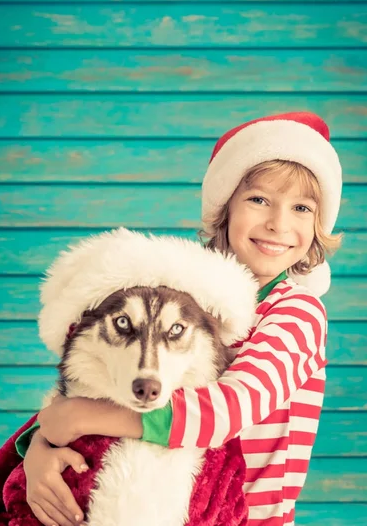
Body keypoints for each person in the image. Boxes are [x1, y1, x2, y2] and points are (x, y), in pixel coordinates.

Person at [20, 112, 343, 526]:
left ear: (317, 225)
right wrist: (39, 447)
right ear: (224, 206)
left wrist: (81, 417)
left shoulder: (297, 313)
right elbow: (103, 378)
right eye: (259, 199)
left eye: (301, 208)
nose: (279, 223)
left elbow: (227, 411)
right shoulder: (187, 296)